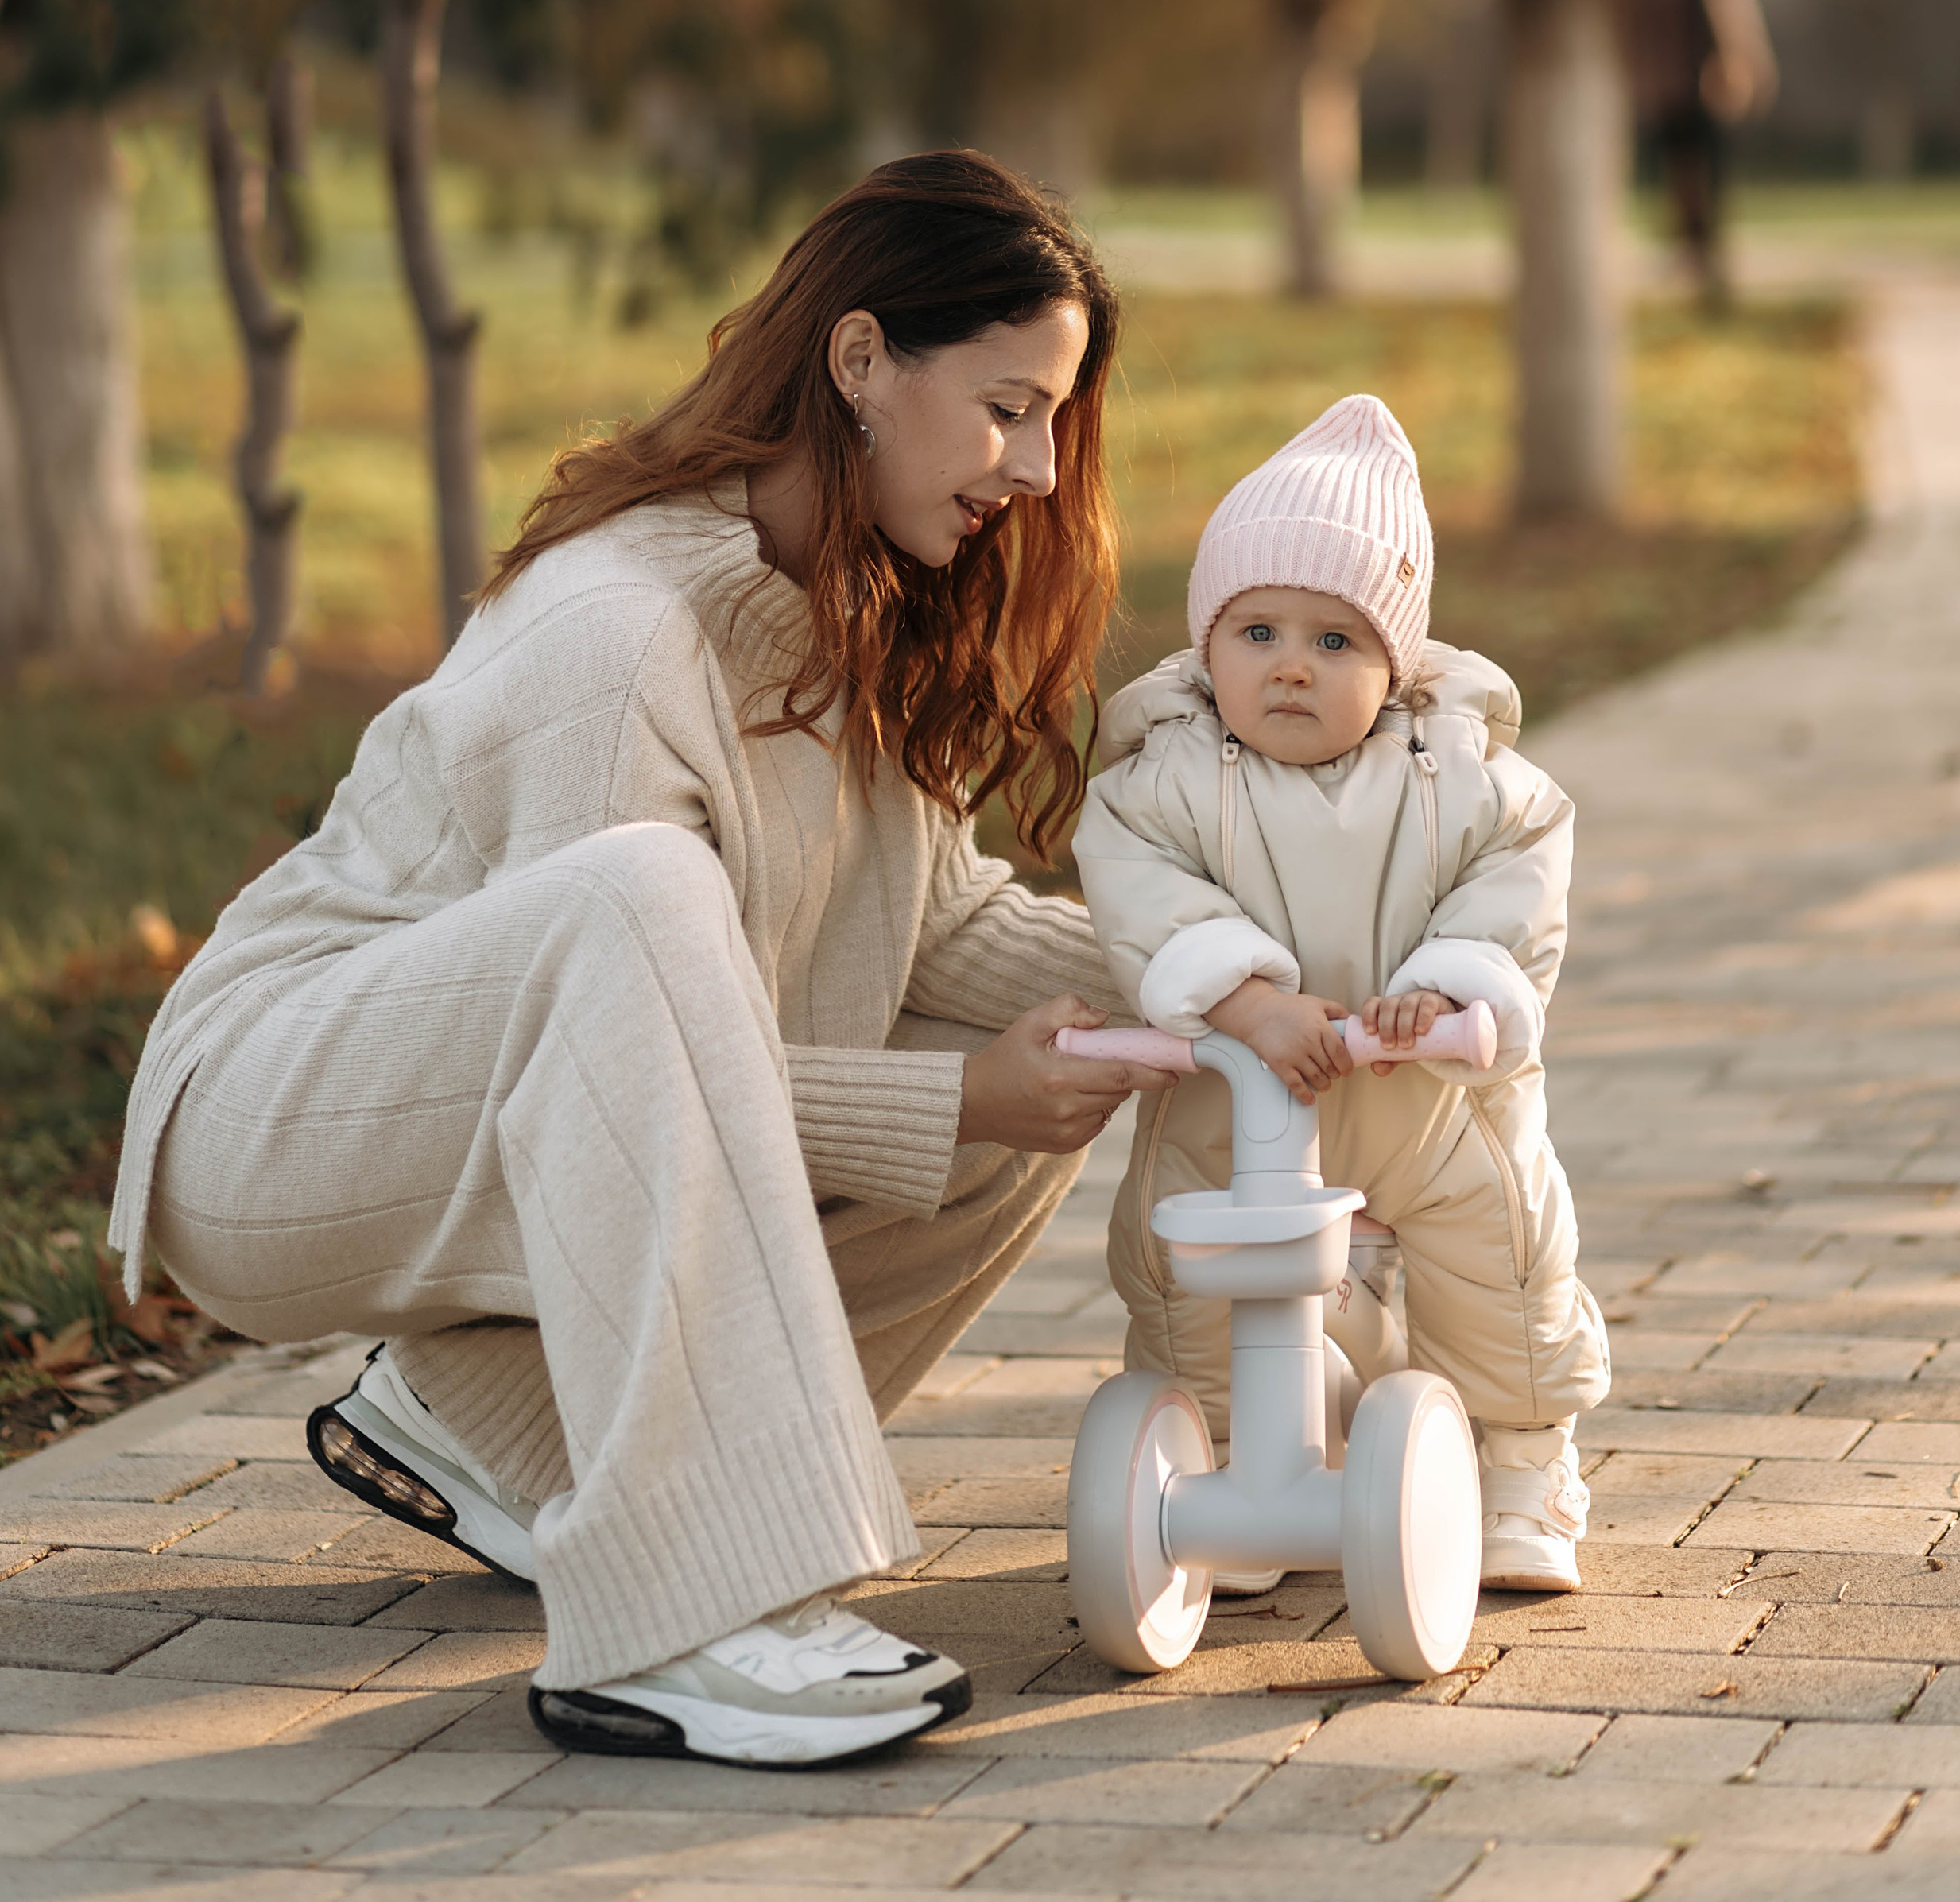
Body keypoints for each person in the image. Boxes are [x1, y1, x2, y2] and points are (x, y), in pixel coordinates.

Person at [110, 152, 1172, 1768]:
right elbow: (622, 1045)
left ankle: (499, 1442)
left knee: (1052, 1083)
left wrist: (1229, 979)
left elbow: (942, 926)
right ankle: (683, 1619)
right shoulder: (618, 629)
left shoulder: (851, 609)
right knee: (656, 911)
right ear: (862, 360)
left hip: (525, 1094)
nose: (1029, 467)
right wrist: (956, 1096)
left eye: (1049, 422)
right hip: (270, 1116)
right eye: (1006, 407)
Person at [1074, 395, 1609, 1595]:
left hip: (1419, 1091)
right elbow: (1134, 887)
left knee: (1502, 1255)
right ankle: (1224, 1458)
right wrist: (1248, 997)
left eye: (1334, 642)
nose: (1290, 669)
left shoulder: (1464, 774)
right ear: (1209, 643)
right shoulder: (1157, 780)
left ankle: (1523, 1468)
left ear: (1397, 662)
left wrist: (1446, 983)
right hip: (1241, 1099)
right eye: (1256, 631)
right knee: (1182, 1268)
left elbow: (1522, 868)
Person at [1622, 0, 1779, 302]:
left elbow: (1741, 30)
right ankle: (1688, 247)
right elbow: (1642, 39)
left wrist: (1750, 74)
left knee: (1707, 173)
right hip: (1670, 91)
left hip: (1711, 92)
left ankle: (1708, 249)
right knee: (1678, 173)